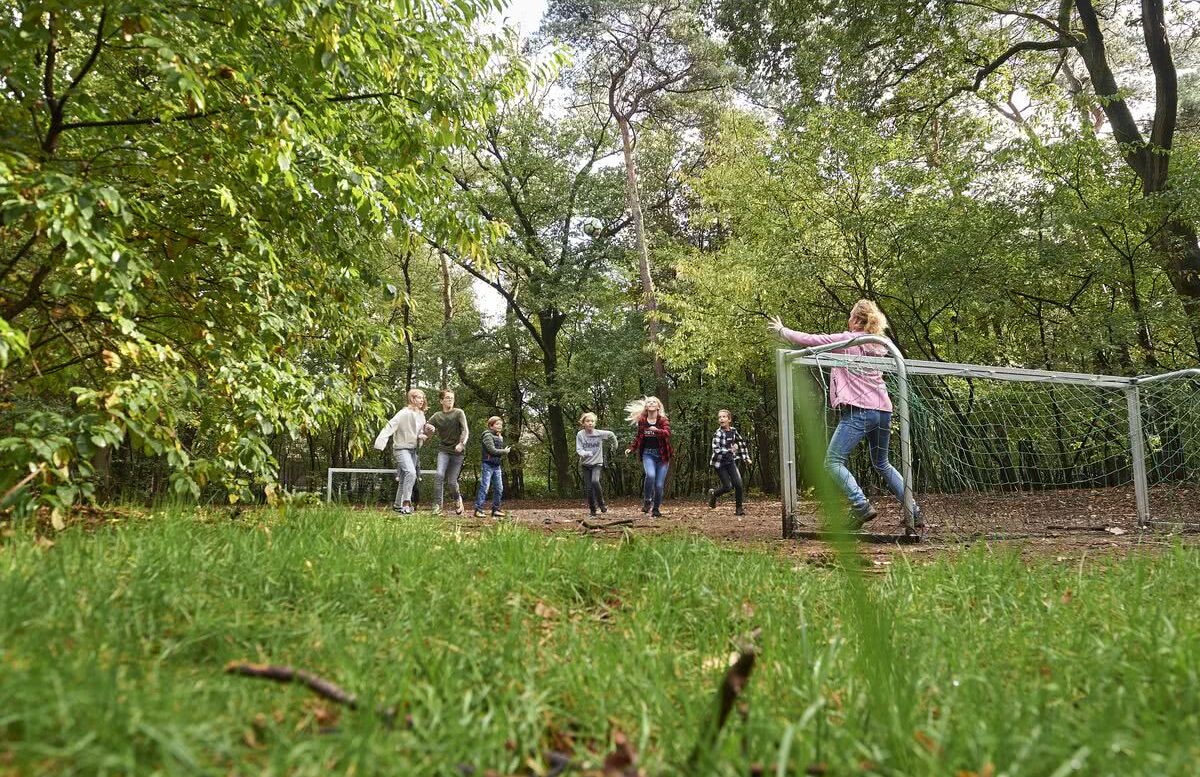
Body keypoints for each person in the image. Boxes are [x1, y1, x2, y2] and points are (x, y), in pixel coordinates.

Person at [769, 299, 924, 529]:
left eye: (851, 317)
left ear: (855, 320)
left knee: (832, 462)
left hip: (860, 411)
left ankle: (860, 505)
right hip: (883, 411)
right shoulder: (881, 343)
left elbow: (813, 340)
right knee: (882, 463)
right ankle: (914, 509)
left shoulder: (848, 339)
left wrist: (783, 331)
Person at [373, 388, 428, 514]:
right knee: (411, 473)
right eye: (419, 397)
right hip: (401, 449)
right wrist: (380, 443)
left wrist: (424, 435)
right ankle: (406, 504)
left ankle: (397, 505)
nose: (422, 400)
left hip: (413, 450)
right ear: (412, 399)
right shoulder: (403, 413)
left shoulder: (421, 415)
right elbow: (390, 425)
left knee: (404, 479)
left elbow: (420, 433)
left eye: (423, 397)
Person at [625, 396, 671, 518]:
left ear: (658, 406)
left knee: (659, 485)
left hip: (662, 456)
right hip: (648, 453)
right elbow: (639, 437)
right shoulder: (642, 421)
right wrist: (631, 448)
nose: (651, 403)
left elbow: (667, 433)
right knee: (650, 475)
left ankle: (656, 509)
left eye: (654, 402)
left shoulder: (662, 420)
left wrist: (657, 430)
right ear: (646, 406)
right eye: (649, 402)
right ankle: (647, 500)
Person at [426, 389, 469, 515]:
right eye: (447, 398)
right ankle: (437, 506)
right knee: (439, 475)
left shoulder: (458, 412)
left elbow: (465, 430)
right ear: (441, 401)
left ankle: (457, 499)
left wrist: (462, 443)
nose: (450, 400)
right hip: (444, 450)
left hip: (458, 451)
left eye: (452, 398)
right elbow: (426, 430)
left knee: (451, 482)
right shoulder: (437, 416)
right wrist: (429, 429)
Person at [707, 409, 751, 516]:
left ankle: (739, 509)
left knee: (739, 485)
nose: (721, 419)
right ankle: (714, 494)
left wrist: (746, 458)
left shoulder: (733, 431)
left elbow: (741, 443)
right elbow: (716, 450)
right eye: (719, 417)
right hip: (720, 463)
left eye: (724, 417)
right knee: (728, 487)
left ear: (729, 419)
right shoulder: (717, 434)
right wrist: (730, 450)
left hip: (730, 461)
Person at [576, 412, 619, 517]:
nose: (590, 423)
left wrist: (615, 446)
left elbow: (611, 435)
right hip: (585, 465)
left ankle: (601, 504)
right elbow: (579, 449)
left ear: (594, 423)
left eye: (592, 421)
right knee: (589, 488)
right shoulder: (580, 434)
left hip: (597, 463)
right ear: (583, 423)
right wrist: (585, 453)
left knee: (595, 481)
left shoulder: (599, 433)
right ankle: (592, 510)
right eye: (587, 421)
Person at [474, 416, 512, 519]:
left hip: (497, 466)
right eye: (497, 424)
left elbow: (497, 451)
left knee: (499, 488)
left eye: (501, 425)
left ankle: (496, 510)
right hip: (487, 465)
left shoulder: (499, 437)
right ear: (491, 425)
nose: (500, 426)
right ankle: (478, 509)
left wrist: (502, 448)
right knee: (484, 487)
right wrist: (505, 451)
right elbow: (492, 450)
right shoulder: (487, 436)